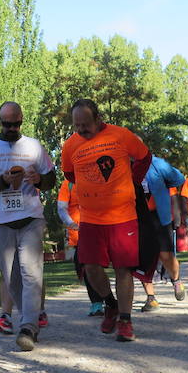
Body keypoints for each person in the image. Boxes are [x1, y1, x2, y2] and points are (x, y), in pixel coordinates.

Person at [61, 98, 152, 342]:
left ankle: (125, 320)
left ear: (98, 118)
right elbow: (69, 172)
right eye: (76, 125)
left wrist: (133, 181)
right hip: (90, 218)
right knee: (90, 266)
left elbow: (144, 157)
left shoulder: (121, 135)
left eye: (85, 124)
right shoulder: (70, 145)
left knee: (123, 269)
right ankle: (110, 304)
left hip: (123, 216)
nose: (81, 129)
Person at [0, 102, 56, 351]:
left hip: (31, 218)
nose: (11, 128)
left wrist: (40, 179)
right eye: (6, 124)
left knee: (31, 272)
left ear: (21, 120)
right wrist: (3, 181)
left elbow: (51, 178)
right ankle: (28, 319)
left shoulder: (34, 146)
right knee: (12, 279)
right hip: (0, 222)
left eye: (15, 123)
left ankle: (28, 326)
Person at [137, 157, 187, 311]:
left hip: (160, 216)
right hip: (137, 218)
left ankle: (176, 280)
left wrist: (177, 218)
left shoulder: (157, 164)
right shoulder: (123, 166)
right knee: (143, 259)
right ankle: (151, 298)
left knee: (166, 255)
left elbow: (178, 180)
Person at [58, 179, 104, 316]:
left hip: (100, 228)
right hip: (80, 234)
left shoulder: (97, 177)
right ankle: (97, 303)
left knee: (99, 266)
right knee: (86, 267)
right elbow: (61, 207)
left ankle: (109, 301)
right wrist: (71, 224)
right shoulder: (68, 183)